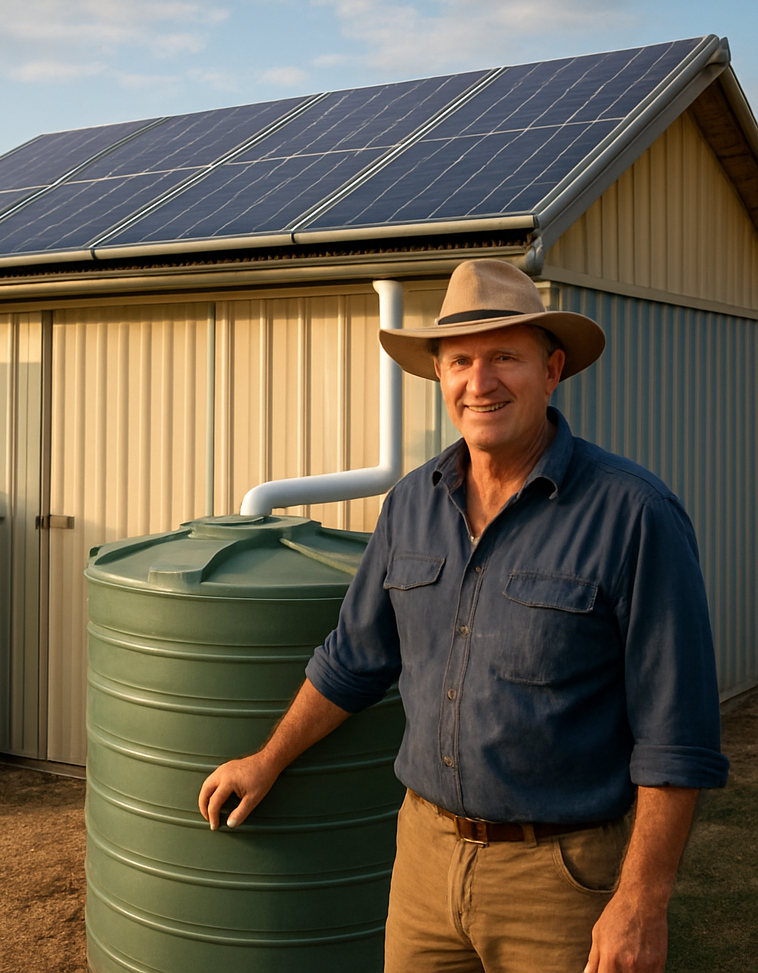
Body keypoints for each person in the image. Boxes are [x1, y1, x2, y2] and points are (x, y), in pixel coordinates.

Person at [198, 258, 728, 973]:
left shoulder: (634, 515)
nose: (481, 383)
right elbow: (355, 660)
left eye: (505, 357)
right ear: (440, 377)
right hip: (424, 859)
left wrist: (642, 899)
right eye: (460, 361)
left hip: (561, 878)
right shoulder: (412, 506)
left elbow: (678, 734)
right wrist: (267, 760)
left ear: (553, 369)